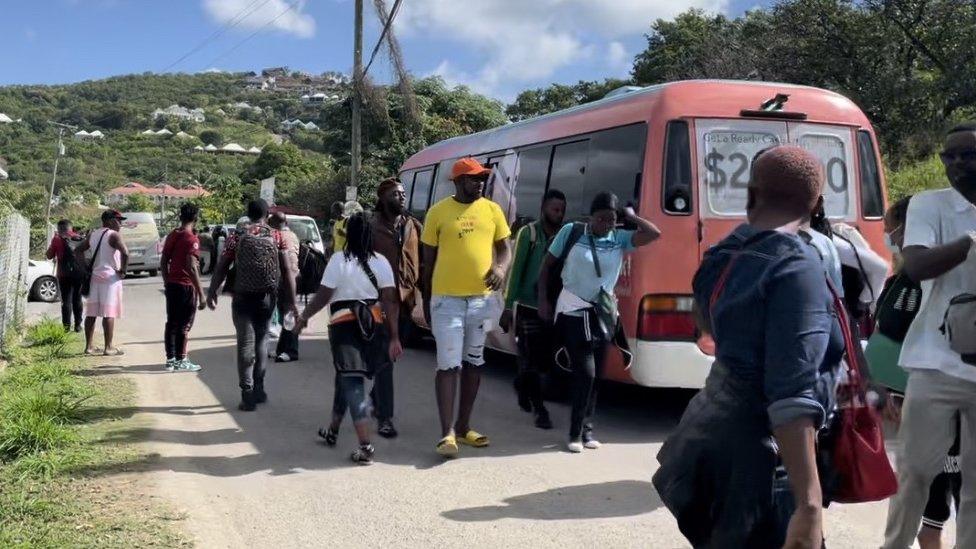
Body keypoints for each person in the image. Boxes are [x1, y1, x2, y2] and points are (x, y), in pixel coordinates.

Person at [653, 146, 845, 548]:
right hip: (762, 468)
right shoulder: (797, 267)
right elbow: (792, 395)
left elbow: (709, 328)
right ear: (819, 204)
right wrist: (809, 506)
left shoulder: (722, 255)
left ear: (751, 195)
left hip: (705, 442)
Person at [883, 124, 976, 549]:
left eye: (968, 155)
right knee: (915, 471)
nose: (958, 163)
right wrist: (971, 241)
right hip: (934, 361)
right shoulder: (928, 205)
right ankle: (895, 545)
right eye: (950, 156)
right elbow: (916, 266)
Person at [869, 196, 961, 549]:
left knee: (924, 481)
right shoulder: (912, 272)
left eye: (891, 229)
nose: (888, 235)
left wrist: (897, 391)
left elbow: (897, 328)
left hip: (923, 395)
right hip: (913, 393)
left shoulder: (920, 277)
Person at [537, 192, 660, 452]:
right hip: (573, 308)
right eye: (602, 218)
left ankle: (587, 430)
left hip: (602, 313)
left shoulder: (619, 238)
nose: (606, 224)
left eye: (611, 219)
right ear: (591, 217)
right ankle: (574, 434)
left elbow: (654, 234)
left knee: (597, 374)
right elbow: (547, 266)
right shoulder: (572, 232)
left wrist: (632, 217)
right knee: (586, 371)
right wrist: (543, 301)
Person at [420, 157, 512, 458]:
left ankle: (463, 426)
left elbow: (504, 251)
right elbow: (428, 264)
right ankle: (446, 433)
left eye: (482, 178)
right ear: (458, 181)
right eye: (474, 178)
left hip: (481, 301)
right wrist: (427, 301)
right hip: (446, 301)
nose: (480, 182)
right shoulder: (438, 213)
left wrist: (500, 269)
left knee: (475, 362)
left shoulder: (492, 210)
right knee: (449, 365)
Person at [295, 213, 403, 465]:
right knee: (344, 376)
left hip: (344, 326)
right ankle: (333, 429)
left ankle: (365, 446)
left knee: (352, 381)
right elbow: (390, 302)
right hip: (374, 326)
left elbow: (323, 296)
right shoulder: (382, 263)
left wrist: (304, 318)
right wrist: (395, 336)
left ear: (347, 235)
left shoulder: (338, 261)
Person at [207, 199, 300, 412]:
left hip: (241, 296)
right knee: (262, 341)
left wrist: (213, 291)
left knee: (244, 343)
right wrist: (293, 303)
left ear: (248, 214)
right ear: (267, 214)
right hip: (267, 298)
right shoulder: (277, 236)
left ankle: (246, 393)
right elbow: (287, 272)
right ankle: (259, 388)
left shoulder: (238, 235)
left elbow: (222, 264)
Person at [500, 189, 567, 429]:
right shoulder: (528, 234)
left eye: (561, 210)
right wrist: (508, 307)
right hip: (528, 307)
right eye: (554, 209)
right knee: (531, 361)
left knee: (544, 362)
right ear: (543, 209)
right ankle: (540, 410)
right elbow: (515, 272)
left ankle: (521, 384)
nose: (558, 214)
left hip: (553, 307)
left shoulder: (564, 235)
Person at [368, 177, 423, 438]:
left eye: (403, 194)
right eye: (395, 195)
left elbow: (422, 261)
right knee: (384, 358)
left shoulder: (412, 225)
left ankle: (375, 396)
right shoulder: (370, 227)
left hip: (404, 301)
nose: (401, 198)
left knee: (387, 359)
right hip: (378, 303)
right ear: (382, 198)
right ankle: (385, 418)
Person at [74, 209, 131, 356]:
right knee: (109, 313)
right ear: (110, 221)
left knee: (91, 313)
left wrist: (85, 267)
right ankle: (108, 347)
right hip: (110, 279)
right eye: (118, 220)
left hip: (95, 277)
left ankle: (89, 347)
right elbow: (125, 252)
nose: (120, 224)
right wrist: (123, 271)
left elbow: (78, 250)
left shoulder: (93, 234)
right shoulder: (113, 235)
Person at [160, 203, 206, 372]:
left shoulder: (173, 235)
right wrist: (201, 294)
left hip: (172, 285)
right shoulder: (191, 239)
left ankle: (170, 359)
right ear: (196, 218)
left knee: (172, 322)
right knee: (185, 324)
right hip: (185, 286)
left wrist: (167, 281)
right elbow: (192, 267)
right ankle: (182, 359)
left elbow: (164, 261)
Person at [268, 212, 301, 363]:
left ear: (274, 222)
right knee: (285, 314)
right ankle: (282, 348)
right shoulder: (292, 235)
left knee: (289, 315)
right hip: (292, 278)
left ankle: (292, 351)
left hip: (287, 279)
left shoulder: (277, 236)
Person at [46, 219, 84, 332]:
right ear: (70, 227)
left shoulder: (57, 239)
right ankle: (78, 325)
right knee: (77, 299)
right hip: (78, 273)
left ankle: (66, 327)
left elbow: (49, 255)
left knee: (66, 300)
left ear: (59, 228)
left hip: (63, 274)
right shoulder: (78, 237)